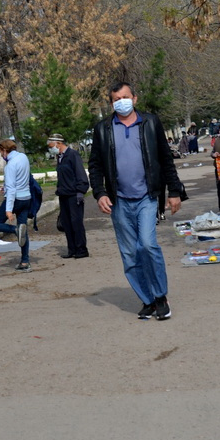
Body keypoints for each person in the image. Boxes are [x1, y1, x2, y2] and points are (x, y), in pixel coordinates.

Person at [89, 82, 183, 320]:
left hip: (147, 197)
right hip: (119, 200)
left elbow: (165, 158)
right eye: (116, 99)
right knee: (130, 253)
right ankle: (148, 299)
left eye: (125, 97)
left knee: (148, 245)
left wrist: (174, 191)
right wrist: (100, 193)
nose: (121, 101)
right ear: (111, 103)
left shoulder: (150, 123)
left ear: (135, 98)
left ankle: (161, 296)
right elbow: (96, 165)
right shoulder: (103, 129)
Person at [0, 139, 32, 271]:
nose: (1, 156)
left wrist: (9, 210)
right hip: (26, 197)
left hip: (15, 199)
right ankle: (25, 261)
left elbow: (12, 189)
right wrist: (7, 188)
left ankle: (15, 230)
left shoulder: (10, 166)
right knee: (23, 229)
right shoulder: (23, 157)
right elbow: (22, 179)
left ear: (4, 150)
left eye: (1, 152)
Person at [47, 133, 89, 259]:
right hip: (63, 195)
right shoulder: (60, 157)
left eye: (51, 146)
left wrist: (80, 191)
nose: (50, 149)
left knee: (76, 222)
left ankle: (81, 249)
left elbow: (80, 173)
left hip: (74, 195)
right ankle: (72, 249)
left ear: (58, 143)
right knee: (66, 223)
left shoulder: (72, 155)